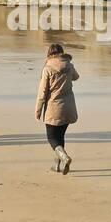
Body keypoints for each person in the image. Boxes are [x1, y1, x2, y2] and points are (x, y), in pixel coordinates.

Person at [35, 43, 79, 174]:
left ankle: (64, 157)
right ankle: (57, 165)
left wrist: (38, 111)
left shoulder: (47, 68)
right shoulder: (69, 65)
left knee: (52, 138)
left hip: (54, 108)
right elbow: (77, 77)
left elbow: (42, 93)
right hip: (69, 107)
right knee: (60, 136)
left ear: (49, 54)